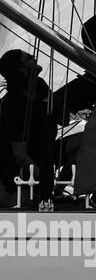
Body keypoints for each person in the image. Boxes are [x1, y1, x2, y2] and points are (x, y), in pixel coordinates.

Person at [0, 49, 59, 211]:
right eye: (28, 57)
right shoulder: (12, 103)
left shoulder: (40, 87)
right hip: (22, 169)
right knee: (21, 200)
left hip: (45, 155)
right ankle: (40, 191)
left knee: (81, 141)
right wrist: (44, 181)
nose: (34, 57)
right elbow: (20, 155)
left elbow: (63, 118)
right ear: (22, 70)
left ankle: (58, 189)